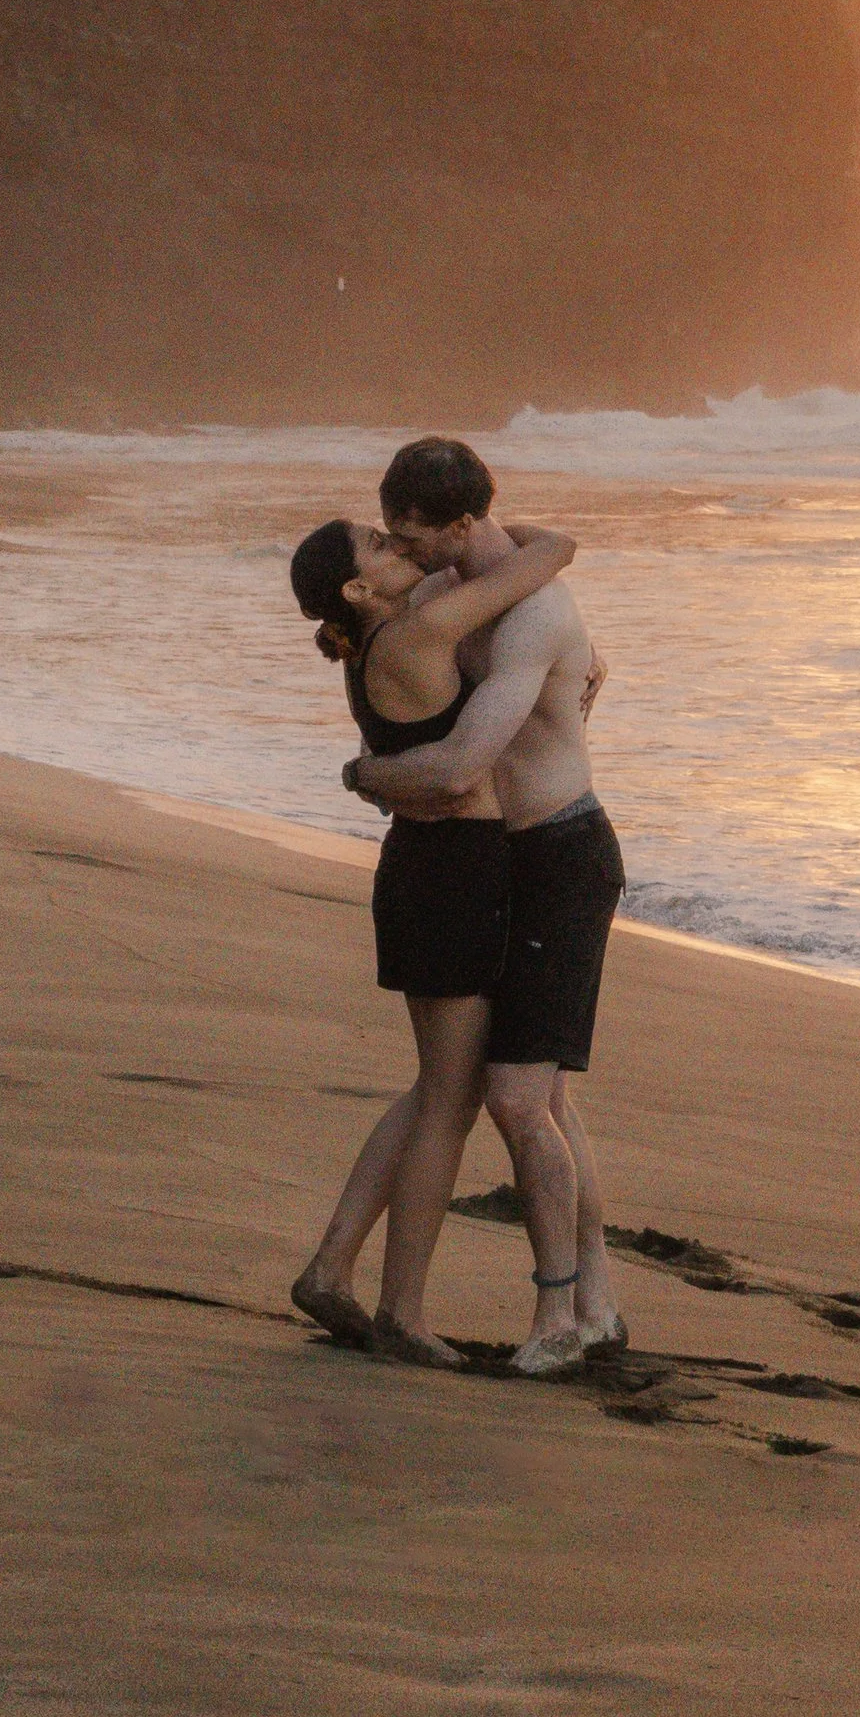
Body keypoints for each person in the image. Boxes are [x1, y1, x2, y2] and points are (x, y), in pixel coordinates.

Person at [348, 436, 626, 1378]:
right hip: (498, 863)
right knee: (541, 1097)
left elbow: (466, 761)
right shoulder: (455, 592)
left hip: (563, 853)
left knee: (516, 1097)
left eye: (415, 534)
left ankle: (560, 1313)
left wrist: (366, 775)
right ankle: (596, 1297)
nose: (404, 549)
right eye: (393, 533)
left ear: (462, 524)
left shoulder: (532, 616)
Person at [286, 505, 576, 1366]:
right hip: (450, 875)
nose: (396, 544)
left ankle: (331, 1264)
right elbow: (547, 559)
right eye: (381, 544)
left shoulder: (370, 649)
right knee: (448, 1104)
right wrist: (479, 522)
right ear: (357, 587)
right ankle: (402, 1311)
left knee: (430, 1090)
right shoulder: (414, 638)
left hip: (426, 869)